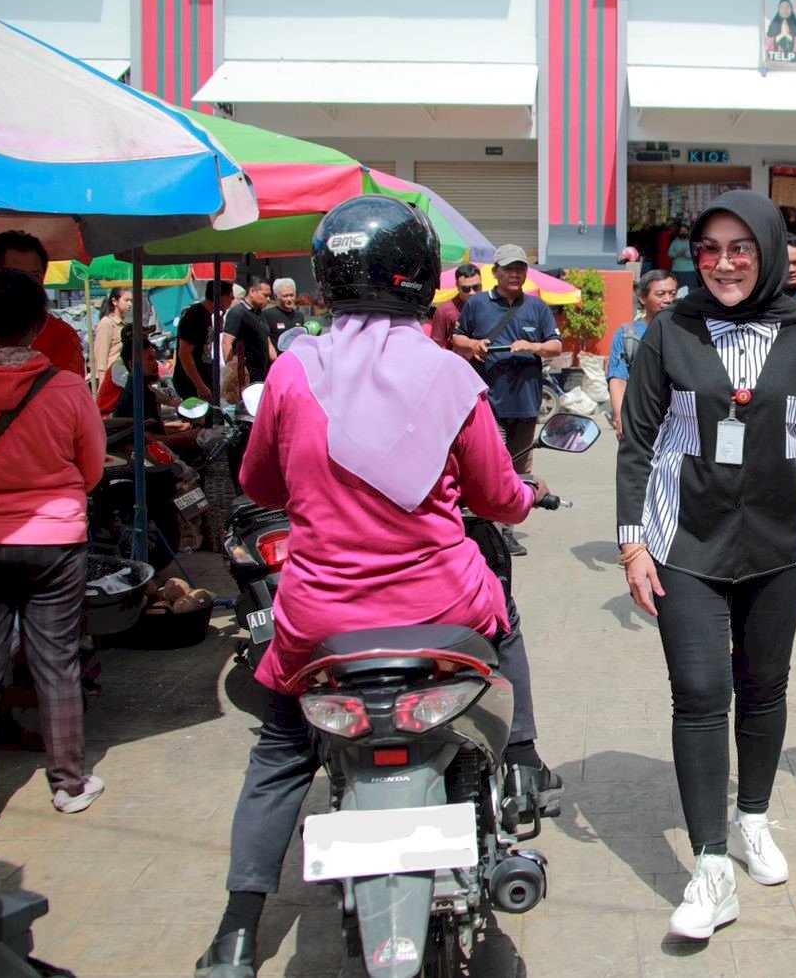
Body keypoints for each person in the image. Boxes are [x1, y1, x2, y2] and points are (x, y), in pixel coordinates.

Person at [196, 197, 554, 977]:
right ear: (422, 277)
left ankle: (235, 930)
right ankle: (524, 758)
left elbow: (260, 479)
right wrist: (529, 497)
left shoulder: (294, 370)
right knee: (507, 615)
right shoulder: (450, 374)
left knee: (282, 751)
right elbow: (496, 497)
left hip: (320, 624)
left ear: (326, 276)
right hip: (442, 613)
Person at [617, 190, 796, 941]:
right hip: (686, 540)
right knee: (700, 692)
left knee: (765, 687)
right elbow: (639, 440)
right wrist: (630, 540)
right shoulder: (667, 332)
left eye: (740, 247)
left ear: (771, 250)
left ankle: (751, 819)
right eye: (708, 249)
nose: (723, 263)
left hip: (781, 542)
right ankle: (710, 867)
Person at [0, 269, 107, 836]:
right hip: (53, 541)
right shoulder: (64, 387)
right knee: (55, 662)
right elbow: (90, 469)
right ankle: (68, 783)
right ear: (40, 325)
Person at [452, 245, 563, 558]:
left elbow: (555, 346)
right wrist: (474, 344)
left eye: (520, 268)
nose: (515, 274)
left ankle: (508, 531)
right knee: (492, 466)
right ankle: (486, 529)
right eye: (508, 269)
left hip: (527, 405)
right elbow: (457, 340)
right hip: (490, 405)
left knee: (519, 470)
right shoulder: (476, 305)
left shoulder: (538, 307)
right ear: (494, 273)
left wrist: (533, 346)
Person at [0, 231, 85, 376]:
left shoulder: (62, 336)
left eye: (34, 277)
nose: (25, 285)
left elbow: (68, 393)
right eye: (13, 275)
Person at [607, 269, 679, 437]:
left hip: (679, 421)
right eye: (660, 294)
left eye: (672, 294)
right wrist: (620, 417)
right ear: (643, 298)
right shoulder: (627, 335)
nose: (668, 300)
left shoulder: (686, 332)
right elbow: (618, 380)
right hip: (640, 420)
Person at [173, 281, 235, 401]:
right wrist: (200, 385)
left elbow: (205, 344)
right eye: (230, 298)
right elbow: (184, 353)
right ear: (221, 297)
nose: (231, 302)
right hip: (191, 381)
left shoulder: (209, 316)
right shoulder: (194, 316)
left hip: (205, 375)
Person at [224, 279, 276, 387]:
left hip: (263, 373)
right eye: (265, 295)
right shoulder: (238, 312)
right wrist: (232, 373)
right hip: (246, 375)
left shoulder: (260, 313)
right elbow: (226, 342)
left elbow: (267, 339)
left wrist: (276, 362)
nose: (268, 299)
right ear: (252, 291)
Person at [431, 262, 482, 352]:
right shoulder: (444, 310)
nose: (472, 293)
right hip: (459, 362)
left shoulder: (492, 304)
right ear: (457, 286)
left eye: (476, 287)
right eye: (466, 289)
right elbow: (436, 346)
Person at [91, 286, 132, 385]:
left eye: (131, 300)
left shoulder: (124, 324)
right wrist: (103, 385)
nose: (130, 304)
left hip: (122, 376)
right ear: (114, 301)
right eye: (126, 300)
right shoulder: (107, 323)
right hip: (110, 379)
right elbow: (101, 358)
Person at [263, 278, 303, 348]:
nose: (289, 299)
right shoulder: (267, 315)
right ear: (276, 297)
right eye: (285, 296)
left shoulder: (299, 316)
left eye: (291, 295)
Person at [668, 221, 696, 292]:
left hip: (689, 272)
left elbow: (695, 255)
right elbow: (670, 253)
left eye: (684, 231)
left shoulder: (691, 243)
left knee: (690, 292)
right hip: (676, 271)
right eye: (681, 231)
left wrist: (685, 254)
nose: (682, 232)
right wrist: (677, 254)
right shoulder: (675, 242)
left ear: (688, 232)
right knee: (677, 291)